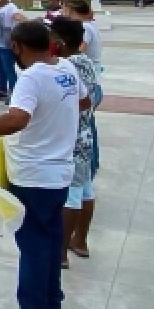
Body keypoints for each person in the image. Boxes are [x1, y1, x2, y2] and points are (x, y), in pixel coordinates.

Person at [0, 21, 88, 309]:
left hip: (34, 175)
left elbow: (17, 119)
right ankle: (51, 303)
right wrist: (55, 122)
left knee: (33, 245)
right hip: (59, 172)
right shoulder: (66, 67)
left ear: (16, 46)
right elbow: (83, 101)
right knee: (52, 240)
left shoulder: (31, 77)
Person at [49, 17, 99, 268]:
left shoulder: (69, 66)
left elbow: (81, 101)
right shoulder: (86, 61)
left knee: (72, 194)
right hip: (84, 135)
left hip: (73, 137)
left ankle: (60, 252)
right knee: (86, 189)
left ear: (60, 41)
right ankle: (79, 241)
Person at [61, 0, 103, 180]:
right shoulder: (88, 25)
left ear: (69, 8)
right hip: (92, 85)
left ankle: (87, 171)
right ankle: (90, 169)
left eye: (63, 7)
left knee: (84, 131)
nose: (61, 11)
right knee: (88, 128)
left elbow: (78, 50)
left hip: (87, 87)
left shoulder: (83, 29)